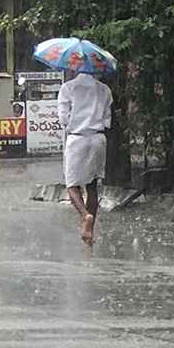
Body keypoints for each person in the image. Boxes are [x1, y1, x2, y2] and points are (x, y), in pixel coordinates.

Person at [57, 71, 113, 246]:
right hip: (98, 139)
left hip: (77, 139)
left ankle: (85, 216)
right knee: (92, 186)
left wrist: (76, 122)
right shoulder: (104, 89)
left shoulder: (68, 88)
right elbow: (107, 119)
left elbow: (63, 118)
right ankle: (90, 232)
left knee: (72, 185)